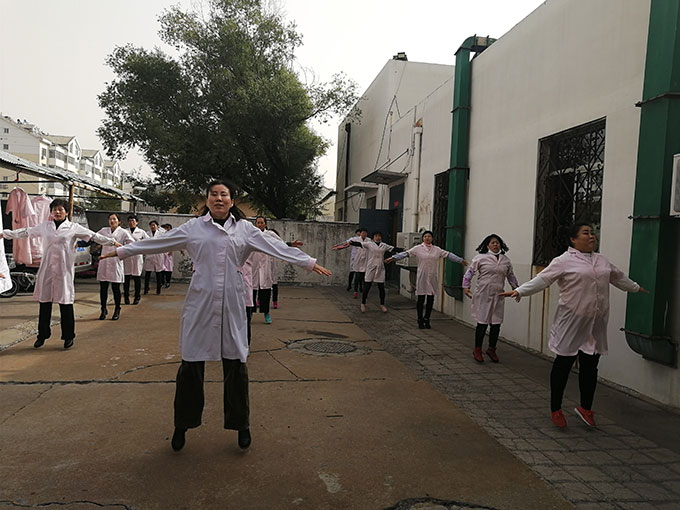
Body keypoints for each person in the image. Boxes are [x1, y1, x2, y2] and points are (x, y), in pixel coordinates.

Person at [99, 181, 331, 451]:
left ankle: (241, 425)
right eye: (214, 194)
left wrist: (308, 262)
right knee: (191, 364)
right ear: (207, 200)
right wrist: (123, 251)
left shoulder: (245, 229)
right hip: (200, 300)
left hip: (232, 300)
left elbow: (275, 247)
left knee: (236, 364)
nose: (219, 198)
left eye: (224, 194)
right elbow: (159, 242)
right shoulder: (194, 228)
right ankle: (182, 425)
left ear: (232, 201)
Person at [500, 223, 648, 428]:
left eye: (593, 233)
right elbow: (543, 279)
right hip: (571, 321)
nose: (592, 236)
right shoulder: (563, 261)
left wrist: (636, 288)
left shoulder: (602, 260)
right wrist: (520, 291)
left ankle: (586, 408)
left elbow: (618, 277)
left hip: (596, 322)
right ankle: (556, 408)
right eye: (586, 233)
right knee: (564, 364)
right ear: (573, 239)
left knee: (590, 366)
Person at [0, 199, 118, 349]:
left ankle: (68, 336)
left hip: (64, 270)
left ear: (66, 212)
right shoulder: (45, 226)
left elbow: (94, 236)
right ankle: (42, 335)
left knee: (65, 303)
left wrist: (112, 242)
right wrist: (5, 234)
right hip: (47, 269)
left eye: (60, 209)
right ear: (51, 212)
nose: (57, 212)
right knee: (44, 302)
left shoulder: (73, 228)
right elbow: (26, 232)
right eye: (54, 209)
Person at [386, 230, 468, 329]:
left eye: (429, 236)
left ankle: (427, 318)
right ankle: (420, 319)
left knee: (430, 299)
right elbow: (406, 254)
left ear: (432, 238)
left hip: (432, 276)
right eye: (425, 236)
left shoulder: (437, 250)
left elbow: (448, 255)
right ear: (423, 238)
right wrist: (393, 258)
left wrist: (460, 260)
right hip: (422, 276)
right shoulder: (417, 249)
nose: (427, 238)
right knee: (421, 299)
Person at [462, 234, 519, 363]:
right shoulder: (480, 258)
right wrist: (466, 286)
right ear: (487, 245)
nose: (495, 245)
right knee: (482, 323)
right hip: (483, 294)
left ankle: (492, 349)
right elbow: (469, 273)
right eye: (492, 243)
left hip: (498, 295)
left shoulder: (505, 260)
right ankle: (477, 349)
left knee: (496, 324)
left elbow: (510, 276)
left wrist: (517, 290)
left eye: (497, 242)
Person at [338, 231, 395, 313]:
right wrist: (350, 243)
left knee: (381, 287)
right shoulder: (369, 244)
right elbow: (359, 244)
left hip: (380, 268)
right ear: (373, 237)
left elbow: (393, 249)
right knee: (367, 286)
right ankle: (363, 303)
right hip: (371, 267)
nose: (378, 237)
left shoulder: (384, 245)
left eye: (379, 236)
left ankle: (382, 304)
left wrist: (405, 250)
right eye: (376, 236)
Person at [96, 213, 134, 321]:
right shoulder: (104, 230)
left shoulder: (123, 232)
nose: (112, 221)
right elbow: (95, 237)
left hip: (115, 262)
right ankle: (103, 309)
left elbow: (132, 243)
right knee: (103, 288)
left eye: (114, 219)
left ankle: (117, 309)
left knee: (115, 288)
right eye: (110, 219)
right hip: (104, 261)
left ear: (119, 221)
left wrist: (123, 249)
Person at [332, 228, 368, 298]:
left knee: (363, 275)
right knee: (355, 273)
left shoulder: (368, 240)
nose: (362, 234)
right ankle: (352, 288)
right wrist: (338, 246)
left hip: (364, 259)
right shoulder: (354, 239)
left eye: (364, 233)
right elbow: (346, 244)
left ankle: (362, 288)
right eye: (361, 233)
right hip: (356, 259)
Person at [123, 215, 148, 305]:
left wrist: (143, 250)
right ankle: (126, 297)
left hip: (137, 256)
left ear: (137, 222)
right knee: (126, 277)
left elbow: (148, 241)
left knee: (137, 277)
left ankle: (137, 296)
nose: (131, 222)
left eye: (133, 221)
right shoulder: (124, 231)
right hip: (127, 257)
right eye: (129, 221)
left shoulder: (141, 232)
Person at [143, 220, 165, 295]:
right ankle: (146, 289)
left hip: (158, 255)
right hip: (149, 255)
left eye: (154, 225)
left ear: (157, 226)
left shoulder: (161, 234)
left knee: (158, 273)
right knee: (147, 273)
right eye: (151, 225)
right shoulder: (147, 234)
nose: (152, 226)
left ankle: (158, 290)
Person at [160, 223, 175, 288]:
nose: (167, 229)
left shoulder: (173, 235)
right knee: (162, 268)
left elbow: (174, 243)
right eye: (165, 228)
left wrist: (171, 250)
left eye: (168, 228)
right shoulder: (162, 234)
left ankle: (168, 282)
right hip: (162, 252)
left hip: (168, 253)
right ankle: (162, 282)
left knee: (169, 269)